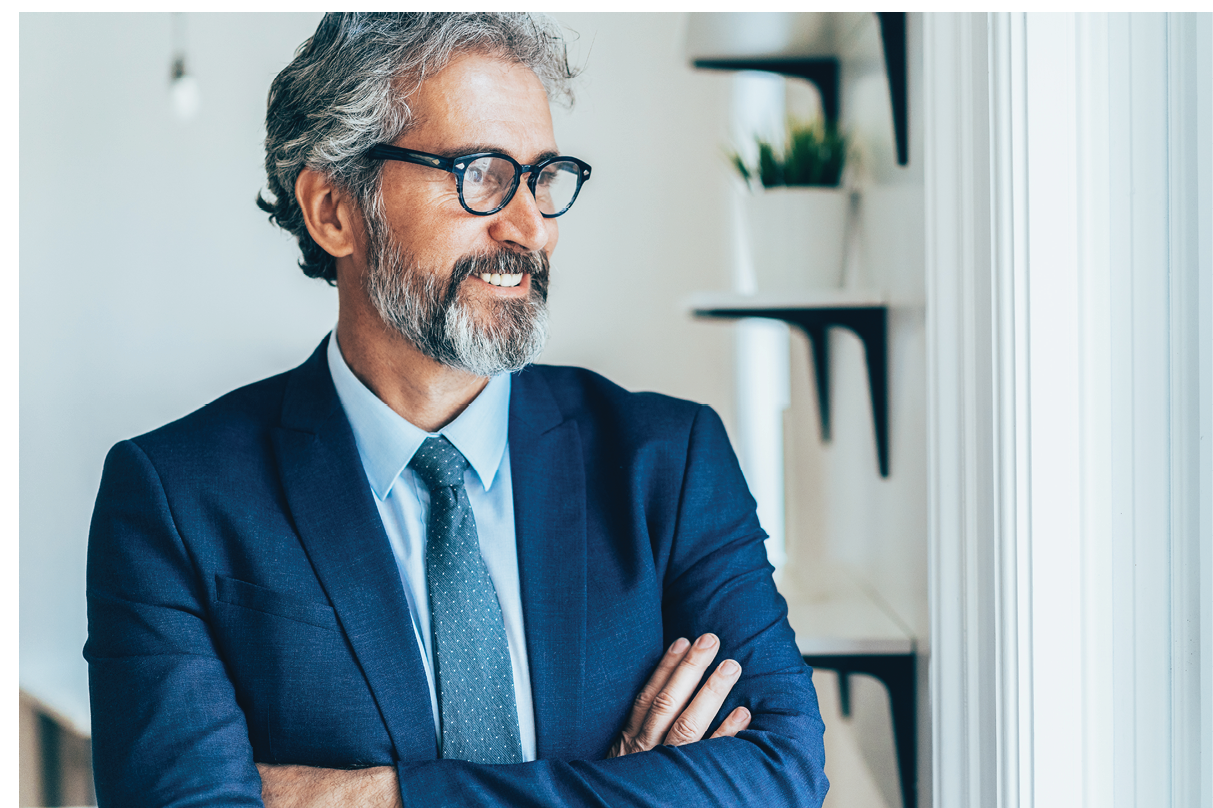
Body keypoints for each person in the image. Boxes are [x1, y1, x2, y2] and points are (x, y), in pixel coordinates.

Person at [84, 12, 828, 807]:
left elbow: (780, 772)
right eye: (479, 173)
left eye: (542, 176)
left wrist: (378, 797)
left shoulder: (668, 462)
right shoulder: (172, 497)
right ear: (334, 209)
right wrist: (616, 785)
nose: (530, 226)